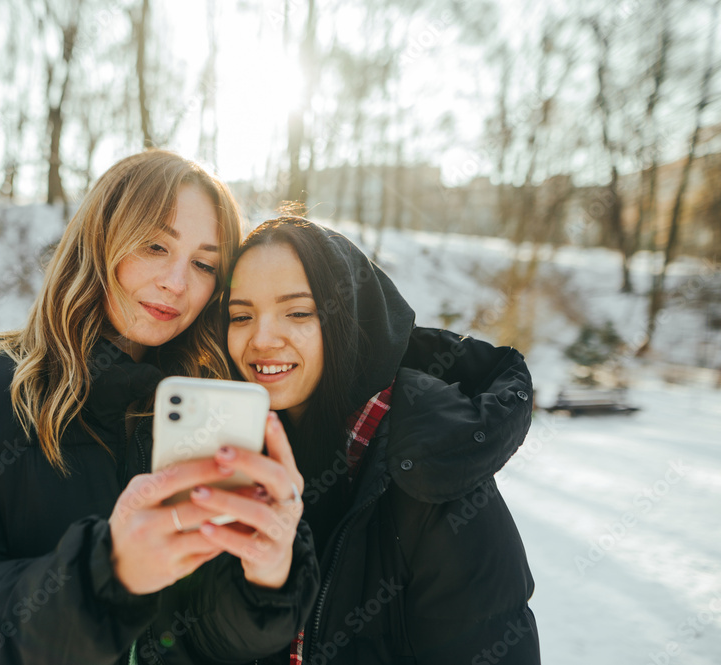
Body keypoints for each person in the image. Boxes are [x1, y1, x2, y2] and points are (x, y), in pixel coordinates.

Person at [0, 151, 320, 665]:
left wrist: (267, 577)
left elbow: (211, 640)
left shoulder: (214, 407)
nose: (177, 281)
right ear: (101, 238)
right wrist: (106, 574)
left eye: (204, 264)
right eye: (155, 245)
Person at [222, 217, 540, 664]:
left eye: (297, 312)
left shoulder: (430, 464)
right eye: (241, 315)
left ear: (347, 318)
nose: (262, 338)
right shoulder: (233, 453)